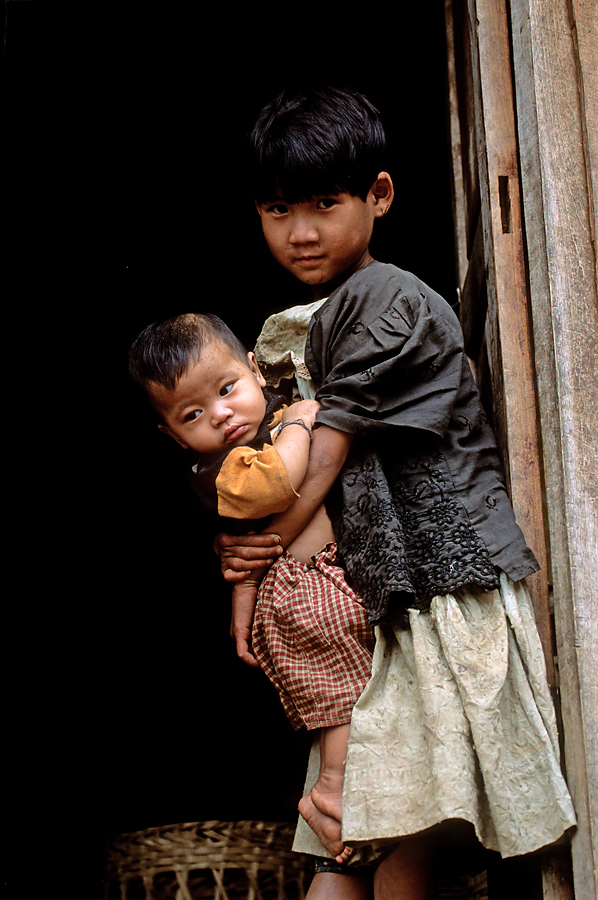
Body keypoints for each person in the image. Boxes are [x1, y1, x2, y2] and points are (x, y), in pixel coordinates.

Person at [214, 84, 577, 900]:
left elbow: (324, 461)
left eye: (325, 203)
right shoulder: (310, 319)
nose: (302, 230)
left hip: (435, 597)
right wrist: (247, 549)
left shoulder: (387, 299)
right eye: (278, 209)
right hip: (377, 610)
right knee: (353, 850)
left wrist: (251, 560)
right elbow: (279, 479)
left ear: (378, 195)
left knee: (392, 848)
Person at [128, 312, 375, 870]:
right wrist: (302, 421)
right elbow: (280, 480)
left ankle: (343, 791)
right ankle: (330, 795)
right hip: (304, 596)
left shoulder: (267, 428)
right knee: (344, 698)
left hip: (319, 583)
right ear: (172, 435)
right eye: (193, 415)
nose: (220, 415)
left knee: (354, 692)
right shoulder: (223, 468)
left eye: (227, 389)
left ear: (257, 373)